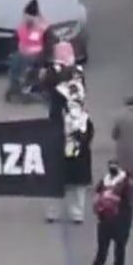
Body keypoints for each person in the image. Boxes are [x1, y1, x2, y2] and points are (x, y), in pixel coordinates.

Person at [46, 82, 92, 223]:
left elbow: (87, 137)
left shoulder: (84, 120)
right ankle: (54, 213)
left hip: (77, 156)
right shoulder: (58, 120)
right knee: (58, 186)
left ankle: (75, 214)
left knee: (76, 188)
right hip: (64, 155)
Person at [85, 159, 133, 265]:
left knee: (120, 245)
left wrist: (113, 200)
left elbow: (128, 201)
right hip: (105, 217)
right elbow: (97, 192)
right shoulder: (105, 180)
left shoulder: (125, 183)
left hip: (120, 218)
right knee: (102, 244)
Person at [5, 0, 48, 102]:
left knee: (26, 62)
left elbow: (48, 44)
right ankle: (15, 86)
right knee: (15, 61)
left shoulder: (43, 28)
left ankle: (26, 86)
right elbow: (16, 40)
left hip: (37, 55)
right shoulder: (22, 27)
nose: (26, 18)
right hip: (23, 53)